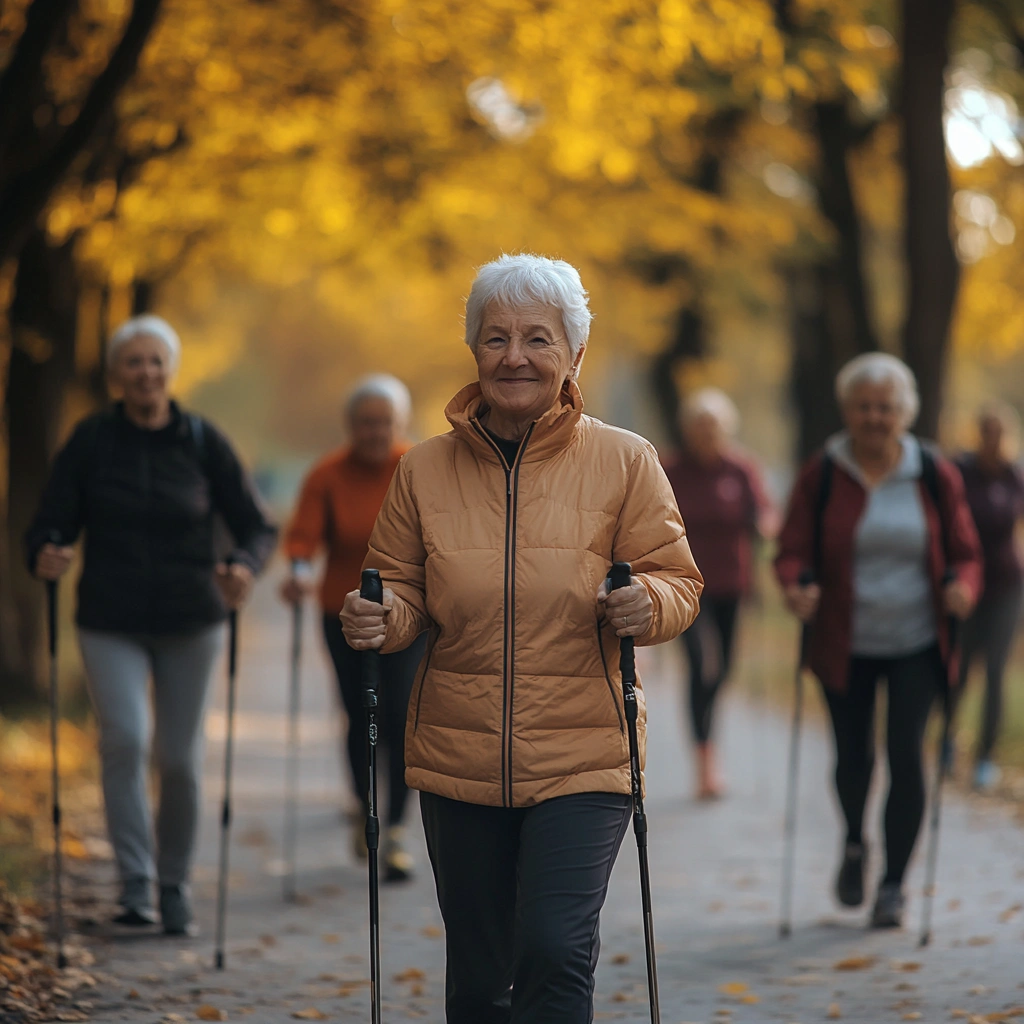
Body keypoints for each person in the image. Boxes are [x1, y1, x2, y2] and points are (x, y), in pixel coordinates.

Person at [341, 254, 702, 1023]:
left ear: (574, 356)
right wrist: (380, 618)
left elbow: (680, 582)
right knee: (479, 979)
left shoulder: (625, 460)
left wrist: (648, 603)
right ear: (474, 349)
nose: (515, 356)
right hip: (458, 753)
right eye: (496, 337)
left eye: (538, 339)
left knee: (553, 949)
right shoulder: (424, 471)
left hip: (587, 752)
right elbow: (399, 588)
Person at [26, 315, 277, 935]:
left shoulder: (201, 441)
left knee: (180, 760)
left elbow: (256, 526)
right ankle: (135, 884)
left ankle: (173, 885)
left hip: (192, 618)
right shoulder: (91, 442)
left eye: (155, 361)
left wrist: (243, 566)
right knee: (126, 740)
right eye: (133, 362)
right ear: (116, 375)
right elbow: (49, 523)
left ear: (171, 369)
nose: (146, 372)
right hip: (110, 620)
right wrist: (47, 552)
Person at [775, 353, 981, 929]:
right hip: (845, 639)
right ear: (847, 410)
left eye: (885, 407)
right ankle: (855, 843)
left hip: (917, 639)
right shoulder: (823, 473)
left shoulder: (934, 472)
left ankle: (893, 886)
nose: (874, 417)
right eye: (864, 407)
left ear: (904, 412)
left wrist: (963, 586)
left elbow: (966, 552)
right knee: (852, 758)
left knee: (907, 754)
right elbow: (791, 548)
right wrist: (796, 587)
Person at [280, 374, 425, 880]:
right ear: (350, 426)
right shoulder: (327, 474)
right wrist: (298, 572)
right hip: (341, 615)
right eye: (366, 423)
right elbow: (302, 539)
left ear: (400, 424)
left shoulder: (416, 468)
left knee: (403, 715)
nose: (375, 432)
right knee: (361, 711)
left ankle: (400, 830)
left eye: (385, 422)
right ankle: (367, 813)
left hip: (409, 612)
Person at [663, 388, 776, 799]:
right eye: (699, 427)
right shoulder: (670, 469)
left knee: (722, 671)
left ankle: (710, 745)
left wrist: (764, 523)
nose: (707, 435)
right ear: (688, 430)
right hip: (686, 586)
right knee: (702, 666)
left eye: (713, 427)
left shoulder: (740, 468)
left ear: (726, 429)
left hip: (731, 584)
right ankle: (705, 760)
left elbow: (763, 509)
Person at [954, 402, 1024, 791]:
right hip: (968, 584)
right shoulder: (961, 472)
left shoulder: (1015, 475)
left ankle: (985, 756)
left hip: (1008, 585)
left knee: (997, 670)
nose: (994, 439)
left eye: (1001, 432)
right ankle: (948, 737)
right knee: (960, 668)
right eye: (988, 431)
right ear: (979, 433)